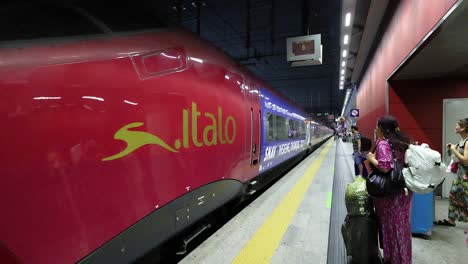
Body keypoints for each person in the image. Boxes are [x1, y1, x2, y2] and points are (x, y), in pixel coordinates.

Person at [366, 115, 412, 264]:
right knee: (401, 227)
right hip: (402, 190)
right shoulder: (401, 142)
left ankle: (393, 259)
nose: (375, 128)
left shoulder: (384, 144)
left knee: (390, 227)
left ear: (381, 128)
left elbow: (385, 167)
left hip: (389, 194)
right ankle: (403, 258)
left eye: (377, 125)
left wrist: (371, 158)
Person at [434, 118, 468, 227]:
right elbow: (455, 155)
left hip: (466, 175)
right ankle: (451, 220)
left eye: (458, 125)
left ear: (463, 128)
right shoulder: (462, 141)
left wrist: (454, 149)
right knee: (453, 194)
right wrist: (452, 148)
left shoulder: (467, 142)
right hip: (460, 174)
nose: (456, 127)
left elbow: (466, 160)